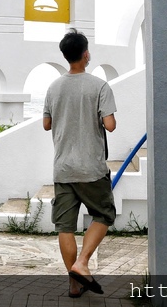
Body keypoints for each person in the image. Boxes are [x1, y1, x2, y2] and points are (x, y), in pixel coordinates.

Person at [43, 28, 117, 297]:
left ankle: (74, 284)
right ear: (86, 54)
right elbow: (110, 125)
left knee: (64, 226)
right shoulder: (99, 86)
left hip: (63, 169)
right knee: (104, 214)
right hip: (91, 169)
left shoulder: (53, 87)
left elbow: (46, 124)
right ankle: (83, 263)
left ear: (66, 56)